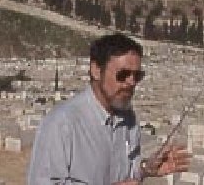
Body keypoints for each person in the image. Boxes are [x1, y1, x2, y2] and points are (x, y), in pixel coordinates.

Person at [27, 33, 190, 184]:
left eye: (137, 76)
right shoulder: (62, 123)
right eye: (123, 75)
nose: (131, 83)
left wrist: (145, 169)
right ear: (96, 70)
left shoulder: (128, 120)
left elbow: (124, 176)